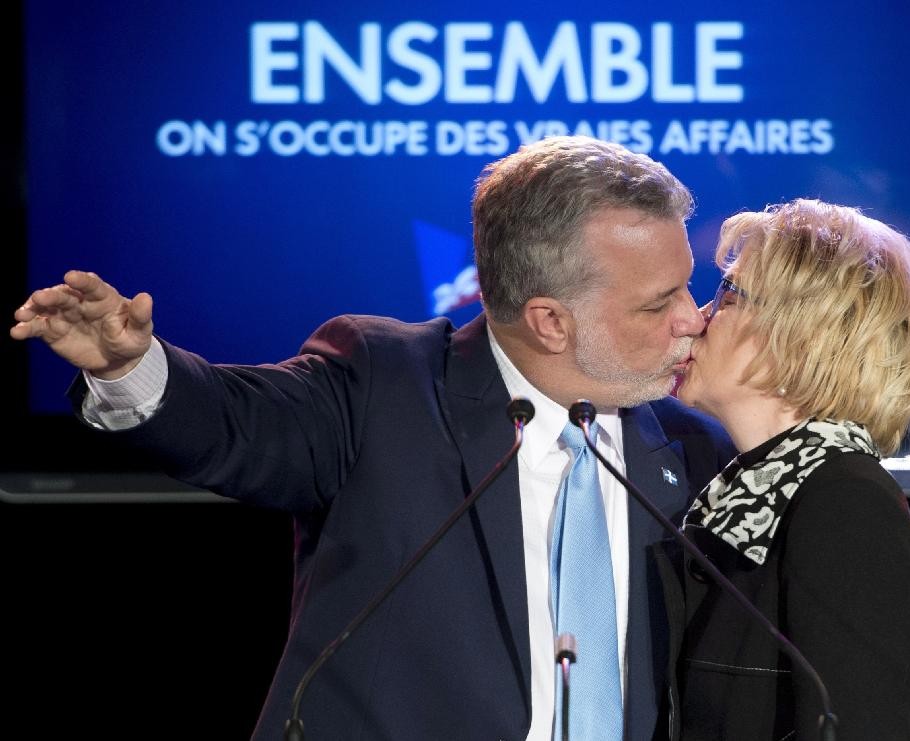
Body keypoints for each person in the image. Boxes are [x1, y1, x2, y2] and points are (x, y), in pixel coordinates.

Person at [10, 135, 735, 741]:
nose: (691, 317)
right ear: (549, 320)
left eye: (687, 286)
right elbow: (238, 423)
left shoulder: (693, 449)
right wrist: (131, 366)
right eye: (658, 301)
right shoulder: (386, 385)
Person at [658, 198, 910, 740]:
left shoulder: (846, 499)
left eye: (727, 296)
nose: (696, 319)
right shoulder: (741, 489)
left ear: (801, 337)